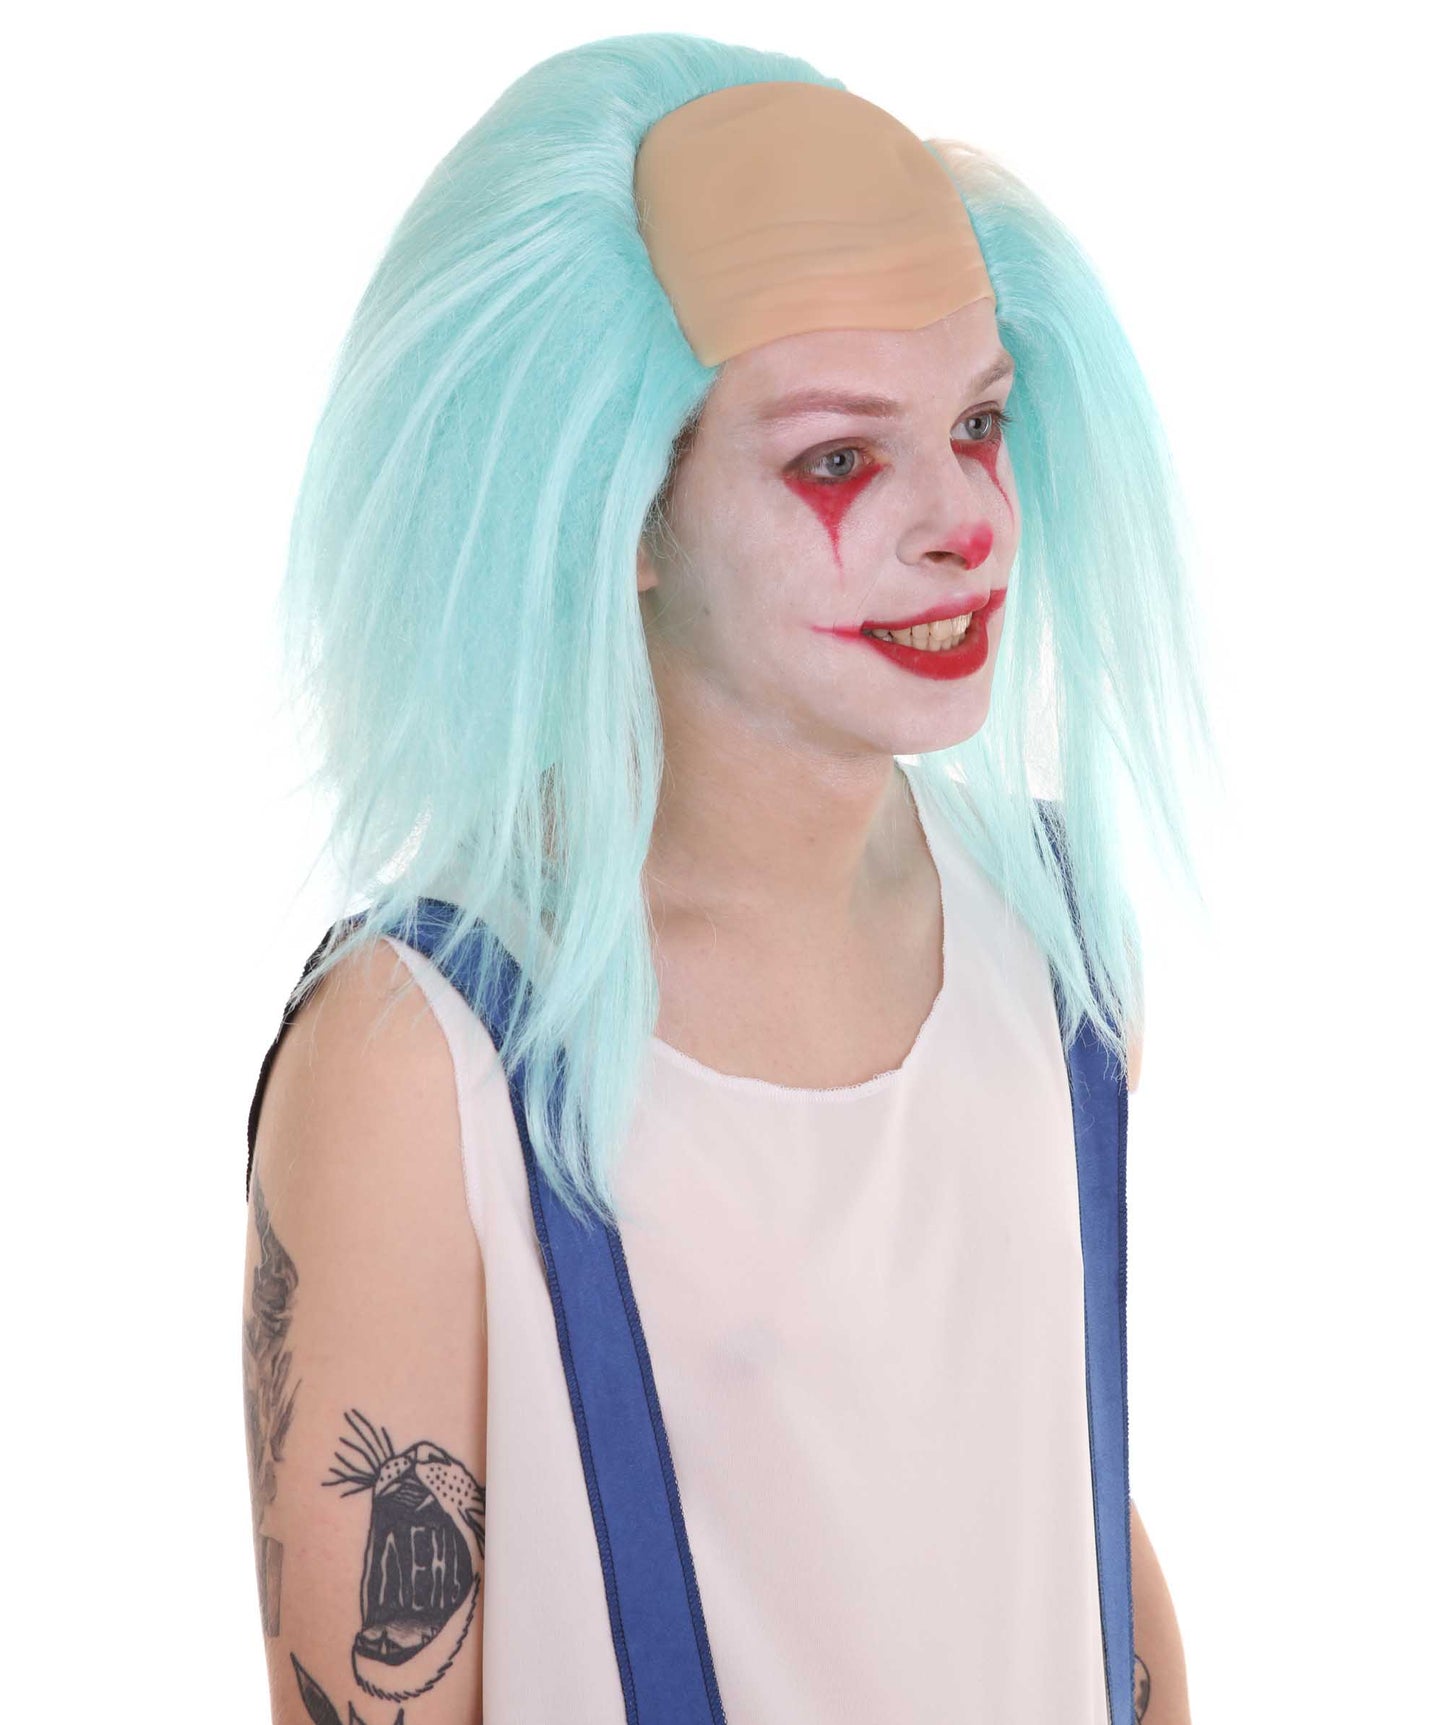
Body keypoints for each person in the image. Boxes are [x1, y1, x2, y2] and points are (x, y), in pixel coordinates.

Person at [243, 32, 1208, 1725]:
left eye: (977, 423)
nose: (965, 521)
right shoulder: (421, 1063)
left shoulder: (1057, 946)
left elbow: (1072, 1524)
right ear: (621, 509)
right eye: (837, 457)